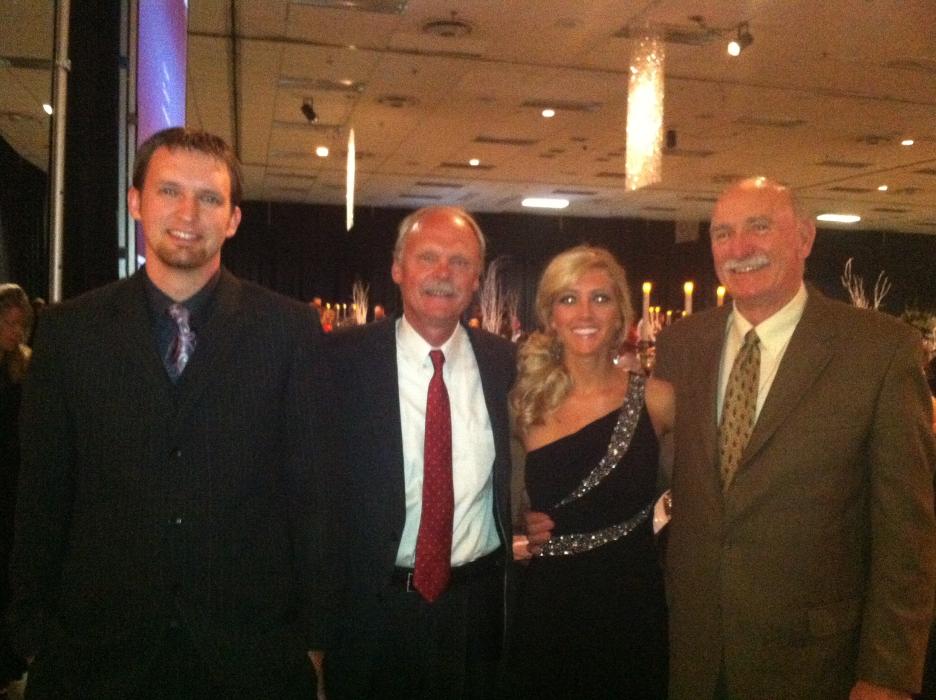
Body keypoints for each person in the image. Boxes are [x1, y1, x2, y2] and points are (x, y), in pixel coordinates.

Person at [9, 128, 327, 699]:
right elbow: (42, 490)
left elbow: (308, 489)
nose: (188, 213)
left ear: (233, 218)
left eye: (209, 198)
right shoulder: (68, 332)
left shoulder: (289, 330)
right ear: (136, 202)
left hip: (249, 655)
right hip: (95, 653)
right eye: (169, 191)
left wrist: (312, 633)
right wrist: (30, 631)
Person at [650, 177, 935, 699]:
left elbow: (907, 535)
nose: (739, 249)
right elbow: (656, 469)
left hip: (816, 661)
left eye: (759, 227)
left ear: (804, 237)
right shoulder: (681, 345)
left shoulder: (879, 351)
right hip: (694, 649)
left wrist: (887, 674)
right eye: (722, 234)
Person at [322, 206, 516, 699]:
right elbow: (308, 496)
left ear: (476, 280)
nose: (443, 273)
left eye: (460, 261)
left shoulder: (506, 364)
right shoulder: (338, 361)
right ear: (397, 268)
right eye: (427, 257)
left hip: (476, 614)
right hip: (370, 614)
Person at [504, 246, 673, 699]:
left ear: (621, 314)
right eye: (568, 299)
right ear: (550, 315)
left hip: (631, 605)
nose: (585, 313)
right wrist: (521, 521)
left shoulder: (658, 400)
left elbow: (700, 495)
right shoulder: (523, 403)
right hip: (549, 608)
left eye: (600, 298)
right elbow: (495, 492)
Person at [0, 284, 32, 694]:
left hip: (11, 481)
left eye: (21, 325)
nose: (16, 331)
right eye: (8, 323)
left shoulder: (23, 368)